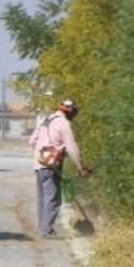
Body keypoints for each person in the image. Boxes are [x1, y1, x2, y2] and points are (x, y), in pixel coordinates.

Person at [29, 98, 92, 239]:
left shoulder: (46, 120)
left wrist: (43, 152)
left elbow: (32, 141)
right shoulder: (63, 123)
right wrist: (80, 166)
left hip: (39, 165)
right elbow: (71, 147)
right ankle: (46, 231)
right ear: (70, 112)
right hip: (51, 167)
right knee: (53, 199)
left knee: (43, 199)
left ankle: (43, 228)